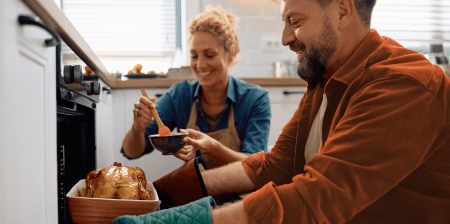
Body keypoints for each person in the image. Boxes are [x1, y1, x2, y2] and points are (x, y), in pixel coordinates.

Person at [114, 0, 450, 223]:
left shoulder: (403, 85)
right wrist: (168, 194)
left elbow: (319, 196)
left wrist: (188, 219)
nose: (286, 36)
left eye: (295, 21)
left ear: (343, 10)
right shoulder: (322, 79)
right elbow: (277, 165)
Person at [121, 5, 272, 169]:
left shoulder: (255, 98)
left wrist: (213, 149)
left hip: (242, 192)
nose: (200, 65)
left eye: (210, 55)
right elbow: (132, 152)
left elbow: (256, 165)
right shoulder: (180, 95)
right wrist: (137, 128)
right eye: (194, 56)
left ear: (231, 53)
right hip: (195, 189)